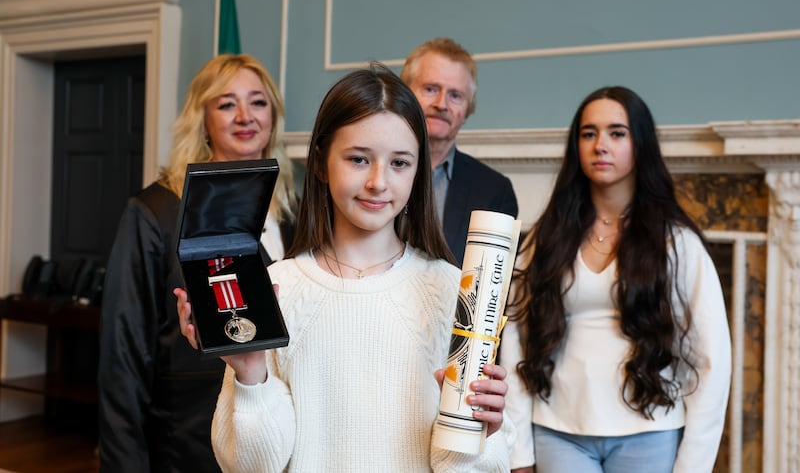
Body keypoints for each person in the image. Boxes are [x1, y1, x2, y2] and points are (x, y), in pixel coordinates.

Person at [175, 64, 515, 471]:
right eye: (358, 159)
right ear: (320, 162)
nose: (378, 182)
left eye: (400, 163)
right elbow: (252, 466)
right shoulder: (277, 286)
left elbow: (461, 469)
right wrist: (251, 373)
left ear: (418, 170)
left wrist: (482, 432)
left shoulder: (451, 290)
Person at [501, 86, 732, 473]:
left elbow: (712, 360)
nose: (600, 145)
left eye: (616, 133)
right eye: (588, 133)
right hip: (557, 430)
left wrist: (693, 465)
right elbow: (514, 342)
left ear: (640, 143)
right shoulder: (547, 237)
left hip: (650, 430)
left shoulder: (677, 243)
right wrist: (518, 451)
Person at [98, 54, 297, 472]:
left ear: (274, 115)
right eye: (226, 104)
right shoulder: (155, 211)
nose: (245, 116)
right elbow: (123, 355)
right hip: (187, 442)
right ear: (202, 119)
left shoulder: (297, 212)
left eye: (258, 102)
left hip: (280, 438)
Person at [400, 37, 518, 264]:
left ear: (468, 109)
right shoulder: (373, 173)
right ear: (405, 95)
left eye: (455, 95)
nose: (441, 104)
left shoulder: (495, 191)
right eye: (430, 89)